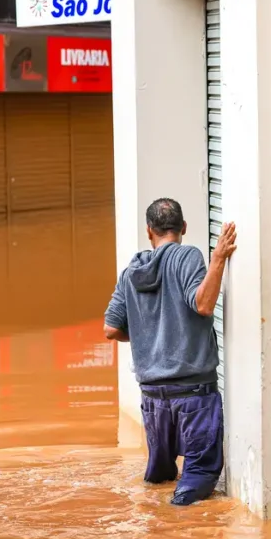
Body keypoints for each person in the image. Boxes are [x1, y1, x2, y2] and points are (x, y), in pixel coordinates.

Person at [103, 198, 237, 506]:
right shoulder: (187, 257)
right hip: (194, 395)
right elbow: (203, 305)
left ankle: (155, 533)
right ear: (184, 228)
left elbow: (110, 329)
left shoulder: (130, 273)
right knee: (196, 483)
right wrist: (217, 260)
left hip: (152, 399)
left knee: (159, 480)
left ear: (149, 231)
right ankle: (176, 537)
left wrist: (145, 338)